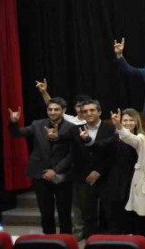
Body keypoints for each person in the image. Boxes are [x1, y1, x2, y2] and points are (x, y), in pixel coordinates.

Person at [8, 98, 73, 235]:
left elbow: (72, 154)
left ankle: (66, 240)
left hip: (62, 174)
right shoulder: (37, 124)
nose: (52, 112)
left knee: (64, 211)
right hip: (39, 174)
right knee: (45, 211)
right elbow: (18, 133)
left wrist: (55, 170)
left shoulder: (71, 127)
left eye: (56, 109)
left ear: (64, 110)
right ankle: (49, 240)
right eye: (50, 109)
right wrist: (14, 122)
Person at [63, 99, 117, 241]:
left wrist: (98, 171)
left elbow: (113, 154)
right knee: (88, 212)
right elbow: (61, 140)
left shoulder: (110, 128)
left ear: (99, 112)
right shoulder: (75, 130)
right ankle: (91, 240)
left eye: (92, 110)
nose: (89, 113)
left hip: (106, 176)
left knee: (110, 210)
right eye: (85, 111)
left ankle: (113, 240)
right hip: (83, 177)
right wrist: (53, 137)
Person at [100, 108, 140, 234]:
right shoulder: (113, 137)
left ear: (136, 122)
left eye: (131, 120)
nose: (128, 123)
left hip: (135, 179)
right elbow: (100, 149)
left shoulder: (141, 138)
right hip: (115, 179)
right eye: (125, 120)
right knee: (115, 210)